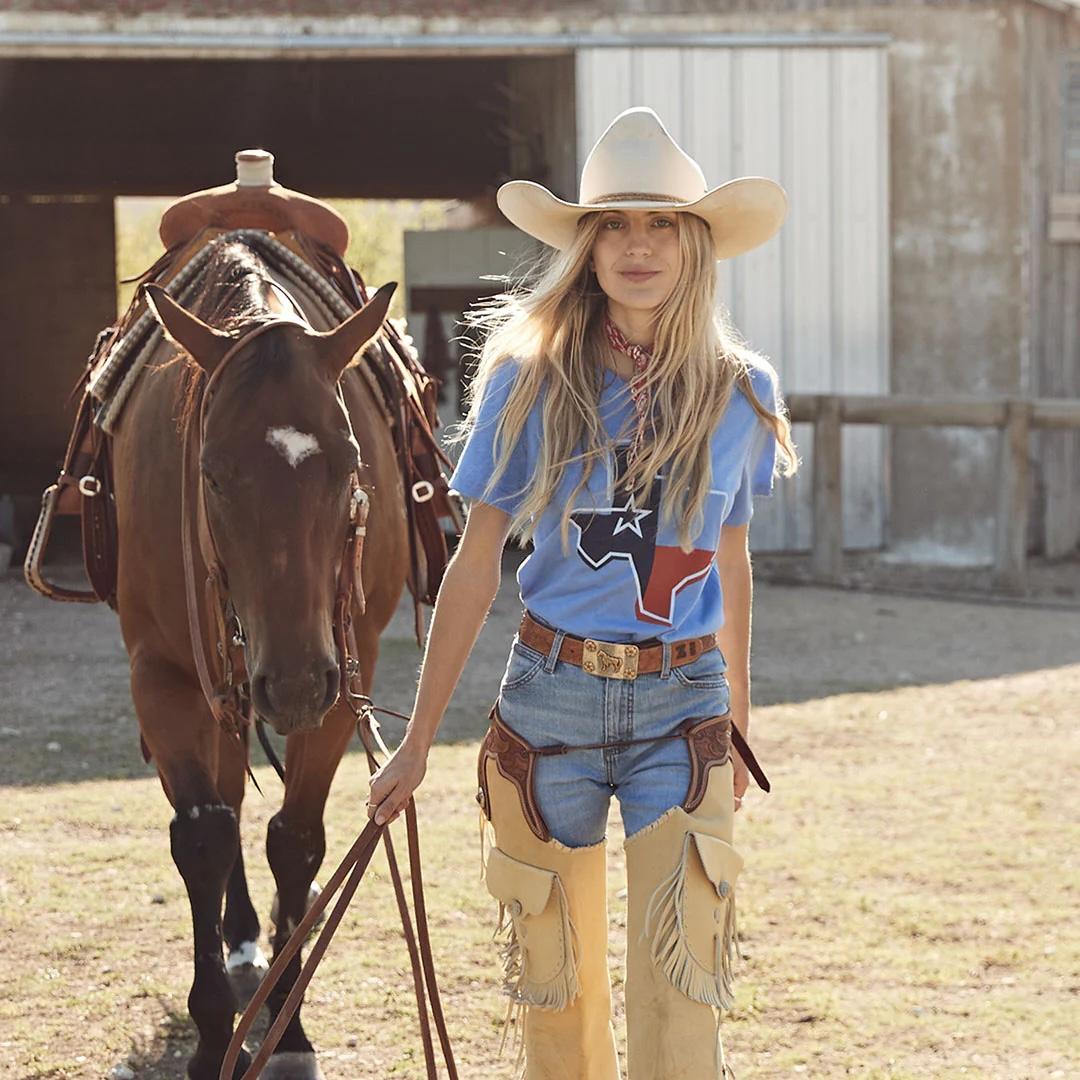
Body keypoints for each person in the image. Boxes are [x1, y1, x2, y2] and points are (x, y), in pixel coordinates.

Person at [367, 106, 799, 1079]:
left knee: (683, 989)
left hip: (682, 710)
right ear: (586, 248)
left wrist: (739, 716)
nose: (637, 246)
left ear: (695, 246)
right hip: (547, 704)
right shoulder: (527, 379)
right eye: (615, 225)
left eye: (660, 226)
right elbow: (475, 565)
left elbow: (731, 561)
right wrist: (417, 739)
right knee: (554, 998)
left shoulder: (741, 390)